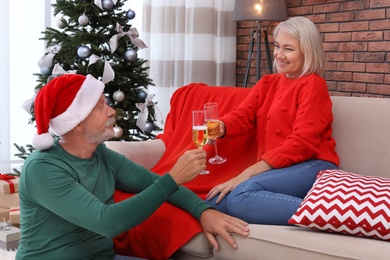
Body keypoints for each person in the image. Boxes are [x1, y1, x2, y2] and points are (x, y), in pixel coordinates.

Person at [16, 74, 249, 260]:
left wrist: (203, 210)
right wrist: (174, 177)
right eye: (99, 107)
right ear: (75, 123)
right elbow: (107, 222)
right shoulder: (43, 168)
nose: (111, 111)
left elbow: (152, 183)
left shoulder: (101, 155)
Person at [206, 16, 340, 225]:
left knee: (240, 196)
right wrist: (221, 126)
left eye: (289, 49)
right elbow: (242, 116)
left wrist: (245, 174)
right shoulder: (268, 82)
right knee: (214, 202)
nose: (279, 55)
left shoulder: (313, 84)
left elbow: (302, 143)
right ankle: (310, 207)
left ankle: (340, 215)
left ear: (307, 51)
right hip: (278, 168)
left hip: (313, 165)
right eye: (277, 46)